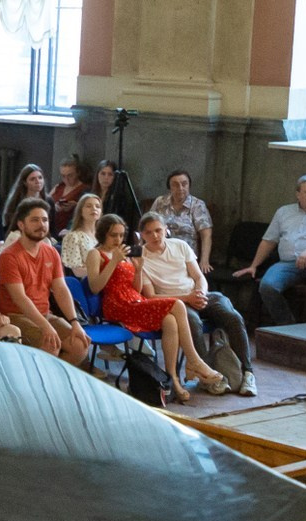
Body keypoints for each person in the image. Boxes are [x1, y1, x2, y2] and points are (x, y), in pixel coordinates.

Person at [83, 213, 229, 401]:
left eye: (121, 235)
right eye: (113, 235)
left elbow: (136, 288)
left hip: (135, 300)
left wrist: (138, 269)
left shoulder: (124, 253)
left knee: (170, 321)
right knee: (177, 304)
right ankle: (194, 360)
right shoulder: (95, 254)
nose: (118, 239)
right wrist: (113, 262)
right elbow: (95, 287)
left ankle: (172, 380)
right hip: (118, 304)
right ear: (103, 234)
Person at [137, 210, 255, 396]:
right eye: (149, 232)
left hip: (198, 294)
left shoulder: (180, 246)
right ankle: (208, 375)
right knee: (193, 323)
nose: (155, 236)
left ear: (166, 230)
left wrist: (200, 292)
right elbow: (150, 296)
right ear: (142, 235)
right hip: (175, 303)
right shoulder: (141, 259)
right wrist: (187, 299)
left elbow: (199, 276)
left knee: (233, 317)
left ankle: (248, 372)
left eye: (158, 230)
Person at [235, 174, 306, 325]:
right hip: (288, 263)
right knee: (267, 286)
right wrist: (254, 265)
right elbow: (269, 241)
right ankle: (286, 323)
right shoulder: (283, 212)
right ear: (298, 194)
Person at [0, 199, 92, 364]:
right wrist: (45, 326)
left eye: (45, 220)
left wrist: (75, 322)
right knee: (50, 345)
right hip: (15, 316)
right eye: (35, 220)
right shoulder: (8, 256)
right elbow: (20, 298)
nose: (41, 224)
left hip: (44, 314)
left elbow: (61, 289)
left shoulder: (51, 252)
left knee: (80, 345)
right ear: (21, 225)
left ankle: (54, 383)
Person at [148, 170, 216, 274]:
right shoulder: (160, 202)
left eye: (184, 184)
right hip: (160, 255)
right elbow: (148, 226)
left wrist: (204, 260)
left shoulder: (197, 205)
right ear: (169, 188)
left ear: (189, 185)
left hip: (185, 258)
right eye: (175, 185)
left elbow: (206, 235)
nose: (180, 188)